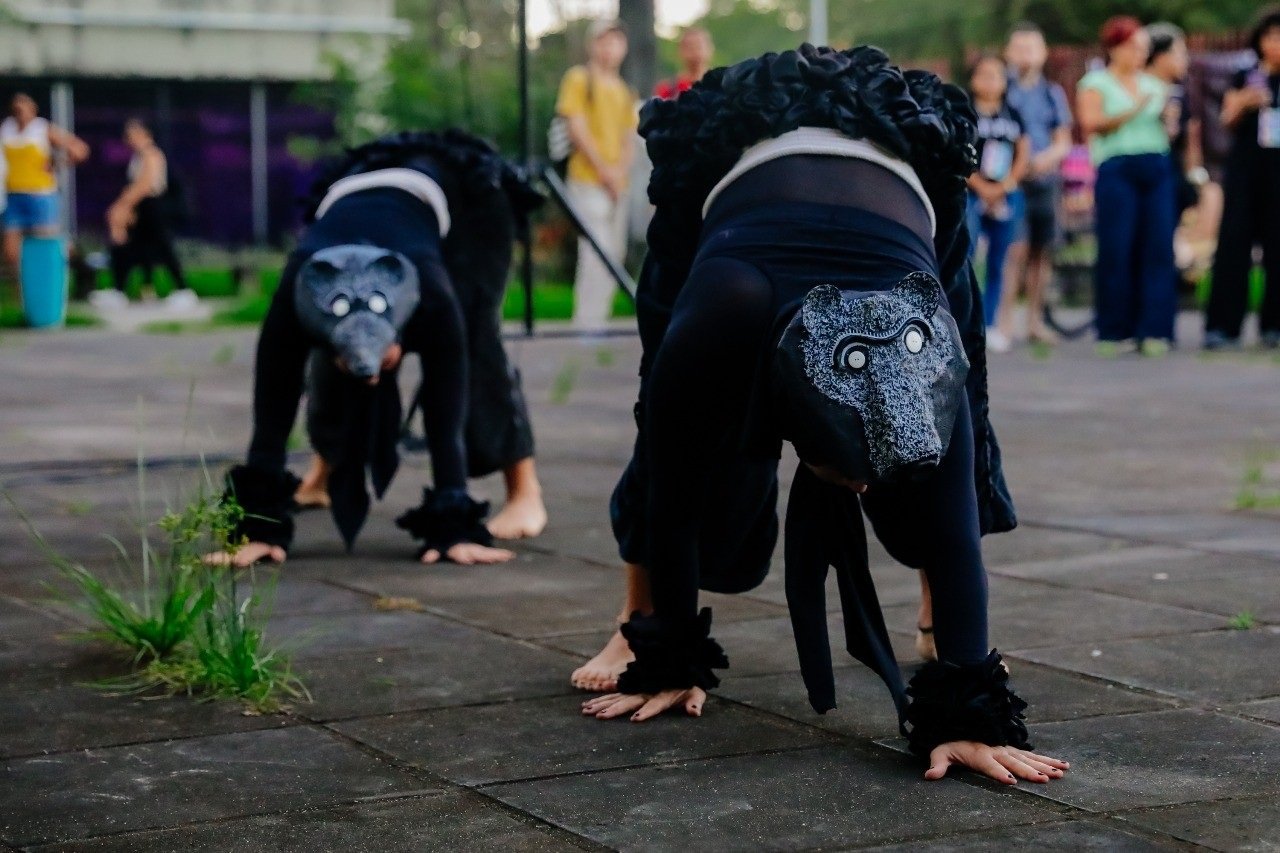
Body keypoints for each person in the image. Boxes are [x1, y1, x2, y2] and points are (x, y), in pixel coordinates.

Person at [573, 45, 1071, 787]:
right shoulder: (722, 309)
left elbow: (955, 515)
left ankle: (938, 624)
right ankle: (634, 621)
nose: (861, 491)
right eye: (852, 476)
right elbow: (672, 486)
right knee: (668, 413)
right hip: (732, 152)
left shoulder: (923, 339)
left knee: (962, 425)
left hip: (903, 160)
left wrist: (968, 714)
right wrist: (668, 655)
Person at [207, 131, 547, 569]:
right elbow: (275, 395)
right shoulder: (301, 286)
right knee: (334, 366)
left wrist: (452, 525)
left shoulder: (430, 291)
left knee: (474, 333)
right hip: (362, 181)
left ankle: (524, 490)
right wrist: (258, 526)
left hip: (467, 195)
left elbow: (447, 392)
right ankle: (325, 471)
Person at [1077, 16, 1175, 357]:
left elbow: (1168, 128)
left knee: (1158, 246)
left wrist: (1169, 122)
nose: (1139, 54)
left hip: (1156, 165)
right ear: (1115, 47)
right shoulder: (1096, 82)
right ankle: (1114, 329)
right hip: (1117, 167)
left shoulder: (1155, 85)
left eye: (1143, 48)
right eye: (1133, 47)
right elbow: (1091, 123)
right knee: (1117, 247)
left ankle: (1155, 329)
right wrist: (1133, 110)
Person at [1203, 7, 1280, 351]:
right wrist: (1245, 102)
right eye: (1270, 37)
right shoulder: (1246, 75)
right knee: (1234, 243)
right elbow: (1226, 119)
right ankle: (1223, 326)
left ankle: (1274, 326)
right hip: (1246, 169)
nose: (1275, 44)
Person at [555, 20, 638, 332]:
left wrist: (618, 174)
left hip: (618, 185)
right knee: (594, 251)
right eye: (603, 41)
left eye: (615, 41)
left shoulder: (625, 90)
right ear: (593, 44)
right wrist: (604, 170)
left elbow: (629, 138)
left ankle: (599, 322)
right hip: (586, 180)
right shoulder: (579, 78)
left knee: (614, 253)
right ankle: (586, 324)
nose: (609, 48)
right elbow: (576, 127)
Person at [1001, 23, 1073, 347]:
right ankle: (1003, 322)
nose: (1025, 55)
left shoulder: (1051, 93)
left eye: (1031, 48)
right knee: (1013, 250)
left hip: (1044, 180)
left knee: (1041, 253)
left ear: (1043, 53)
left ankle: (1034, 321)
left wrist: (1045, 159)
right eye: (1019, 48)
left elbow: (1063, 141)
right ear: (1008, 53)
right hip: (1011, 182)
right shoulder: (1002, 91)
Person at [965, 54, 1030, 352]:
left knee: (999, 260)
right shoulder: (965, 113)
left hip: (1006, 193)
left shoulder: (1013, 114)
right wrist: (980, 186)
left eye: (997, 75)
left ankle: (989, 324)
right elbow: (956, 151)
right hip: (971, 192)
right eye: (985, 74)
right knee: (967, 256)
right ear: (973, 79)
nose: (991, 81)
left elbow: (1023, 153)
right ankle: (964, 322)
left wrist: (1004, 186)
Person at [1, 93, 88, 275]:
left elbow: (79, 150)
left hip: (40, 195)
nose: (19, 114)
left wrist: (57, 164)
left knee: (45, 244)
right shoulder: (7, 128)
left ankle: (79, 268)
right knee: (11, 251)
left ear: (32, 110)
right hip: (13, 195)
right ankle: (24, 287)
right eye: (16, 110)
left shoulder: (42, 129)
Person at [105, 118, 188, 301]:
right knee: (132, 248)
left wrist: (123, 204)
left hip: (152, 206)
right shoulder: (137, 157)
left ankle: (183, 289)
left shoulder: (151, 154)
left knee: (163, 248)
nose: (128, 139)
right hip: (141, 208)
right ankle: (121, 289)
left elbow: (145, 184)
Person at [654, 28, 714, 99]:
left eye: (699, 46)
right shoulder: (668, 90)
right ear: (680, 51)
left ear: (710, 49)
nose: (695, 51)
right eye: (690, 47)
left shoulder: (722, 87)